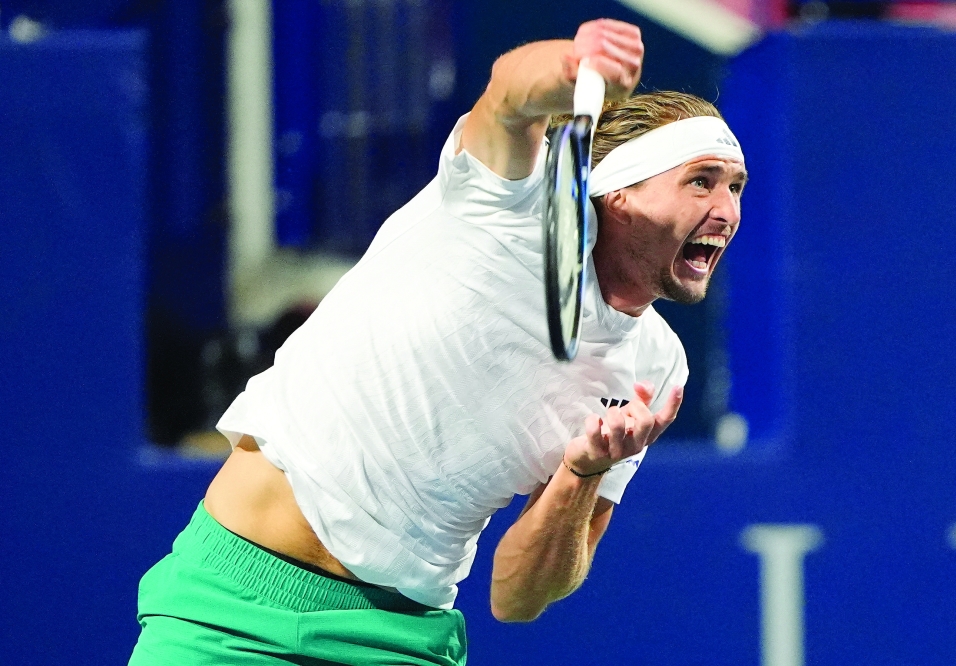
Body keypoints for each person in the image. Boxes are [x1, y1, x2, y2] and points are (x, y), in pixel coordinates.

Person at [129, 18, 747, 666]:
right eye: (701, 181)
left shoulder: (654, 367)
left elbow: (519, 597)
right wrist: (577, 66)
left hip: (402, 641)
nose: (727, 210)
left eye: (736, 187)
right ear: (619, 191)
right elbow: (510, 92)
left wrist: (580, 473)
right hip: (230, 610)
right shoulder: (504, 202)